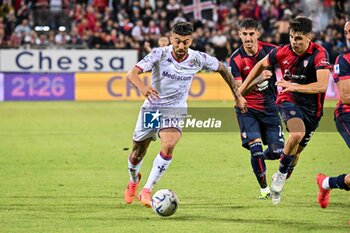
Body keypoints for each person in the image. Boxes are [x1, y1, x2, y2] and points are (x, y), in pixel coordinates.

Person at [124, 22, 247, 208]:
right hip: (152, 109)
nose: (181, 46)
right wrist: (143, 88)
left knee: (169, 144)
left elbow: (222, 68)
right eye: (178, 41)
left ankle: (147, 189)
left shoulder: (197, 58)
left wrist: (237, 95)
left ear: (191, 41)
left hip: (175, 109)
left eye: (186, 42)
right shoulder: (160, 53)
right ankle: (133, 181)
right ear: (172, 38)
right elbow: (132, 74)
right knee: (137, 154)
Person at [239, 16, 331, 205]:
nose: (294, 42)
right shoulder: (282, 52)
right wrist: (241, 91)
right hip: (288, 100)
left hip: (313, 109)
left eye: (298, 38)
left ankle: (281, 175)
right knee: (297, 133)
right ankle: (280, 177)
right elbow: (260, 65)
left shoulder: (319, 54)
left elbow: (322, 86)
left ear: (309, 37)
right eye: (291, 37)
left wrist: (294, 85)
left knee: (295, 155)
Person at [229, 18, 284, 200]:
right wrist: (258, 79)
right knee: (256, 149)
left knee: (277, 152)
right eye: (244, 34)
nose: (248, 38)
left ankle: (260, 159)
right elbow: (239, 91)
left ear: (258, 34)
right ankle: (264, 189)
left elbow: (287, 67)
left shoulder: (271, 51)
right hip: (247, 110)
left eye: (251, 34)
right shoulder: (236, 59)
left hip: (270, 108)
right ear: (239, 35)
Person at [316, 20, 350, 209]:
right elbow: (345, 96)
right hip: (347, 116)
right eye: (347, 31)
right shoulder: (344, 60)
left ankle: (326, 183)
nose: (349, 35)